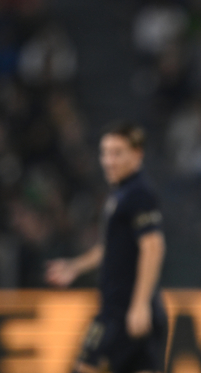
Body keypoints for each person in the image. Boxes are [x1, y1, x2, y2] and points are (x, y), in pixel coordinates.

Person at [46, 122, 168, 373]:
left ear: (137, 154)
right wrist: (75, 266)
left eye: (117, 153)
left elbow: (153, 246)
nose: (108, 161)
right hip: (133, 310)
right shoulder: (121, 193)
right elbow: (110, 248)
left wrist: (139, 304)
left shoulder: (138, 193)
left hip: (122, 312)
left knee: (86, 366)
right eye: (105, 152)